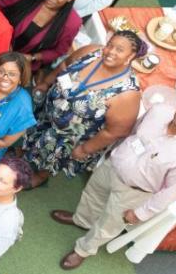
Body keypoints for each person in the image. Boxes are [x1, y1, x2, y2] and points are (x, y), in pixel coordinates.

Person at [54, 95, 176, 270]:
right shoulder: (159, 111)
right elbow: (134, 132)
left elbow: (171, 193)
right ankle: (82, 220)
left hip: (134, 192)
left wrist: (141, 214)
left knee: (108, 225)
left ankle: (83, 250)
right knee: (92, 196)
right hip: (112, 166)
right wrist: (115, 152)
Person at [22, 30, 143, 187]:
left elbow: (116, 131)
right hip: (48, 112)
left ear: (131, 56)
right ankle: (26, 151)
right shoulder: (91, 52)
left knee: (52, 156)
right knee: (35, 131)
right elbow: (65, 65)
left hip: (69, 138)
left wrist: (85, 149)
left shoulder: (127, 93)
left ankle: (41, 175)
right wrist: (46, 83)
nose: (110, 52)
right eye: (109, 45)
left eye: (119, 50)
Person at [0, 0, 83, 71]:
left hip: (22, 63)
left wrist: (32, 57)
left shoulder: (72, 22)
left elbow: (58, 51)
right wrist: (3, 39)